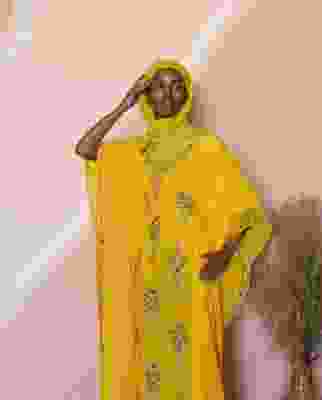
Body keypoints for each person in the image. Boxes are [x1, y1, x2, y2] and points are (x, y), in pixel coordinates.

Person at [75, 59, 272, 400]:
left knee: (194, 373)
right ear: (146, 96)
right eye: (159, 86)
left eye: (177, 86)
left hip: (190, 285)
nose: (168, 93)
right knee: (138, 366)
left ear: (187, 96)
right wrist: (124, 104)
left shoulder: (207, 150)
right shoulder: (128, 155)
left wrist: (227, 256)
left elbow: (253, 218)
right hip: (140, 285)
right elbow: (85, 149)